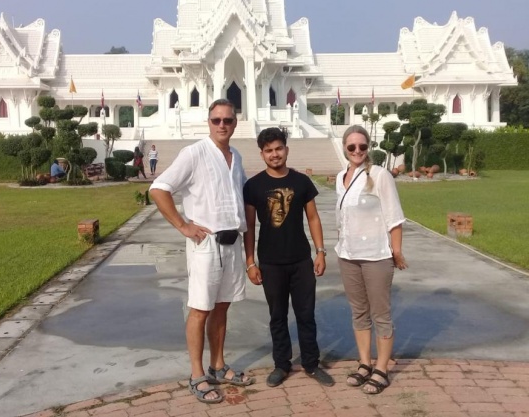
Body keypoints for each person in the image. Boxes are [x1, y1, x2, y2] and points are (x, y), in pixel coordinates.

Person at [149, 99, 254, 404]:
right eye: (217, 120)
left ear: (235, 123)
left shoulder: (236, 156)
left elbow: (243, 198)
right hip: (205, 244)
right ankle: (197, 374)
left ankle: (218, 365)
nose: (222, 125)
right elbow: (159, 188)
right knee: (200, 309)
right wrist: (183, 226)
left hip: (232, 241)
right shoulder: (194, 153)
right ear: (208, 122)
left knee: (222, 307)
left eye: (228, 120)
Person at [243, 127, 334, 388]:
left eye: (278, 148)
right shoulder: (254, 186)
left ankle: (311, 364)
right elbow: (249, 226)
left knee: (306, 314)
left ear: (286, 150)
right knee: (278, 316)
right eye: (269, 150)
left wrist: (320, 252)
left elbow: (313, 218)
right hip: (270, 262)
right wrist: (250, 262)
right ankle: (281, 365)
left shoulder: (301, 182)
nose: (275, 154)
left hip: (301, 260)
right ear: (262, 154)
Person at [335, 125, 408, 395]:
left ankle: (382, 367)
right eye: (351, 147)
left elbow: (395, 218)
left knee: (381, 313)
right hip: (348, 254)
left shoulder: (380, 175)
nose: (357, 151)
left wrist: (396, 252)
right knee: (359, 312)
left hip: (376, 255)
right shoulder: (341, 176)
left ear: (368, 148)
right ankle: (364, 362)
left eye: (362, 147)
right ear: (344, 148)